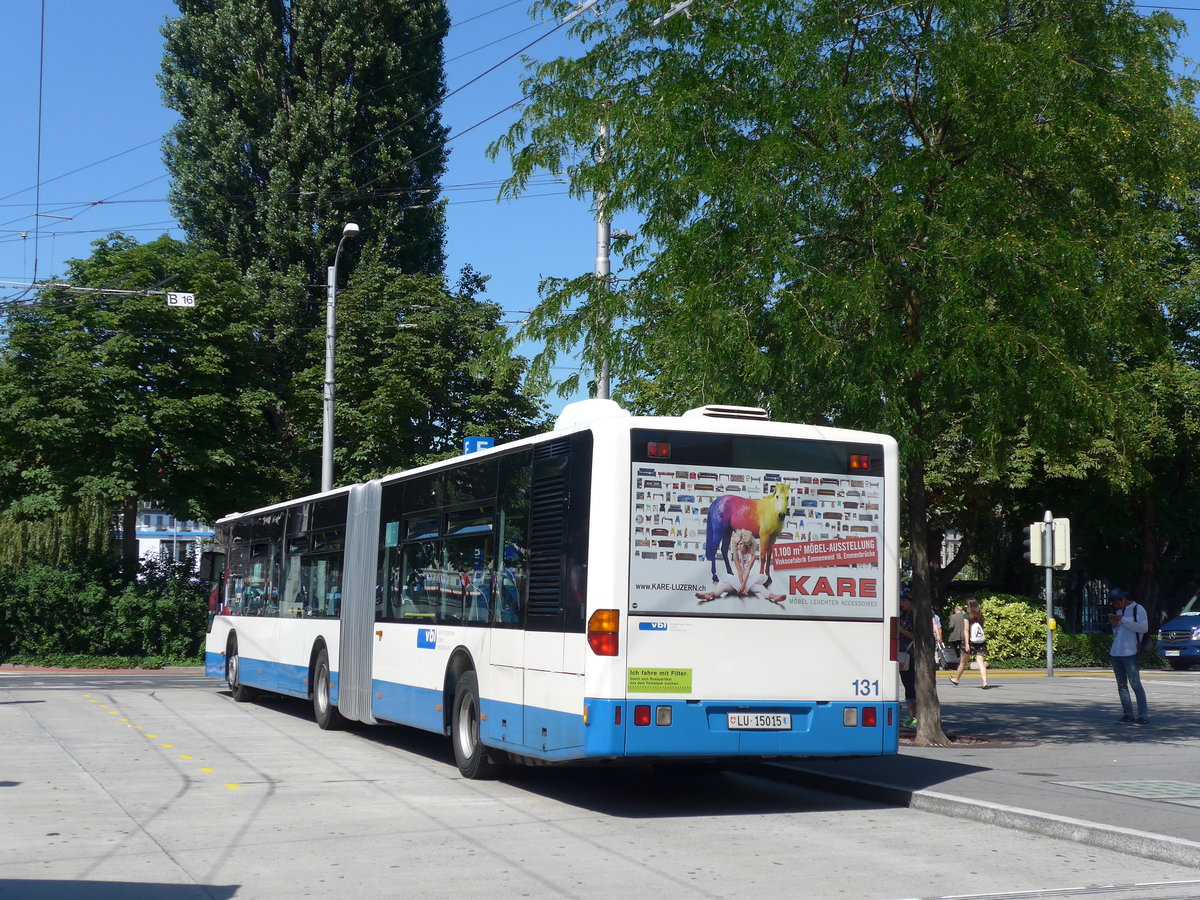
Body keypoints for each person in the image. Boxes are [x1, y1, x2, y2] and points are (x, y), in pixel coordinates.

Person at [1108, 587, 1149, 725]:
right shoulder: (1119, 611)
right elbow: (1118, 634)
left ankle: (1143, 715)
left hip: (1130, 652)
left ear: (1123, 599)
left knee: (1135, 683)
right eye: (1114, 604)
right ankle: (1128, 714)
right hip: (1116, 652)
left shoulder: (1138, 609)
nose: (1116, 606)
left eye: (1117, 603)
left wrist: (1123, 620)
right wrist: (1114, 625)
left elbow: (1143, 628)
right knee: (1121, 685)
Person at [949, 597, 989, 688]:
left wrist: (967, 644)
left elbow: (966, 630)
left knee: (963, 662)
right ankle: (985, 682)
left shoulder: (967, 616)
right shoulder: (980, 616)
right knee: (981, 662)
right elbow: (981, 628)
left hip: (970, 641)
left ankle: (956, 679)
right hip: (980, 641)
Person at [897, 590, 917, 727]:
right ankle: (911, 718)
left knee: (911, 686)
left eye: (904, 600)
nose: (901, 603)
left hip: (911, 655)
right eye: (901, 600)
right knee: (906, 686)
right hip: (901, 653)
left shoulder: (915, 617)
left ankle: (915, 718)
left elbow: (916, 636)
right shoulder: (902, 615)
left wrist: (900, 630)